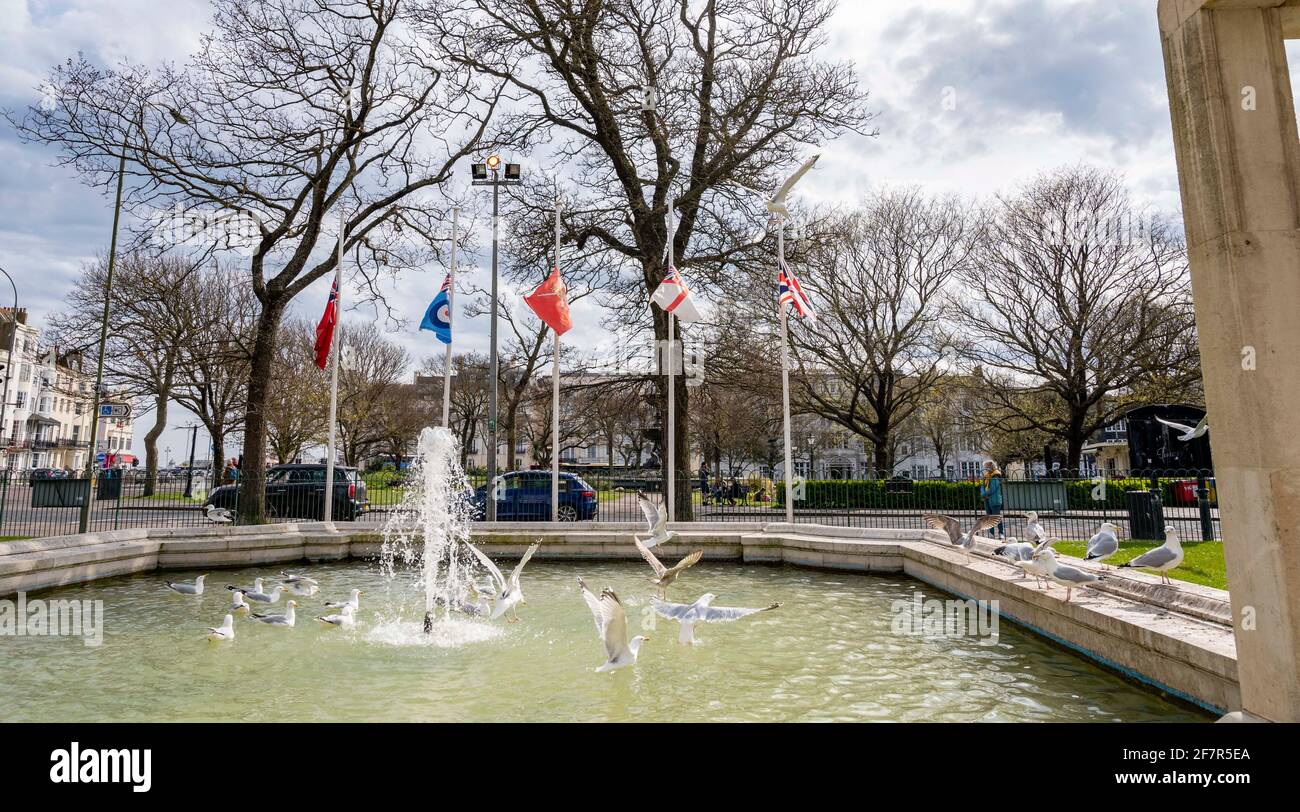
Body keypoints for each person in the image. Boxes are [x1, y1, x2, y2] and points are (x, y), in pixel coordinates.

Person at [980, 460, 1005, 539]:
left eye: (987, 466)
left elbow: (993, 488)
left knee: (996, 517)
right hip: (987, 499)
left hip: (994, 499)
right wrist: (983, 492)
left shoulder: (996, 475)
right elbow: (982, 486)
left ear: (991, 465)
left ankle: (1001, 533)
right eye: (985, 466)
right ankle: (991, 533)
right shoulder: (986, 475)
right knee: (989, 517)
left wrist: (984, 494)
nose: (986, 468)